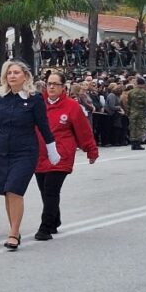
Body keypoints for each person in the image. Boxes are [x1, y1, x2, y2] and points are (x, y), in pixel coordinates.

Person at [0, 60, 59, 251]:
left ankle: (13, 234)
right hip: (3, 150)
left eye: (16, 72)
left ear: (25, 76)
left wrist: (52, 149)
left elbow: (43, 126)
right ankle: (14, 228)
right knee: (7, 191)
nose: (12, 76)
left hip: (25, 151)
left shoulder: (34, 98)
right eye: (9, 73)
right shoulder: (1, 98)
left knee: (15, 189)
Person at [33, 72, 99, 241]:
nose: (52, 87)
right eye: (49, 83)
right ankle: (54, 219)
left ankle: (45, 228)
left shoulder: (72, 107)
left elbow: (84, 131)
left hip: (61, 154)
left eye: (56, 84)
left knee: (50, 190)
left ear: (64, 87)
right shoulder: (39, 105)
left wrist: (91, 150)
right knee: (44, 190)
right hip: (40, 155)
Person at [125, 77, 146, 150]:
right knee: (140, 128)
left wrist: (128, 111)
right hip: (141, 112)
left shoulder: (131, 92)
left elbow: (128, 103)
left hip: (133, 112)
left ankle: (133, 143)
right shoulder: (145, 93)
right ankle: (138, 143)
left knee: (133, 128)